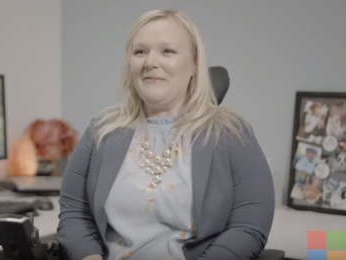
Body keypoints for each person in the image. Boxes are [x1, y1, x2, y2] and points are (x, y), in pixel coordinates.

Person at [57, 8, 275, 260]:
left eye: (167, 51)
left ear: (194, 64)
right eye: (140, 52)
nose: (150, 62)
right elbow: (75, 211)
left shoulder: (229, 133)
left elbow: (249, 226)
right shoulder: (103, 130)